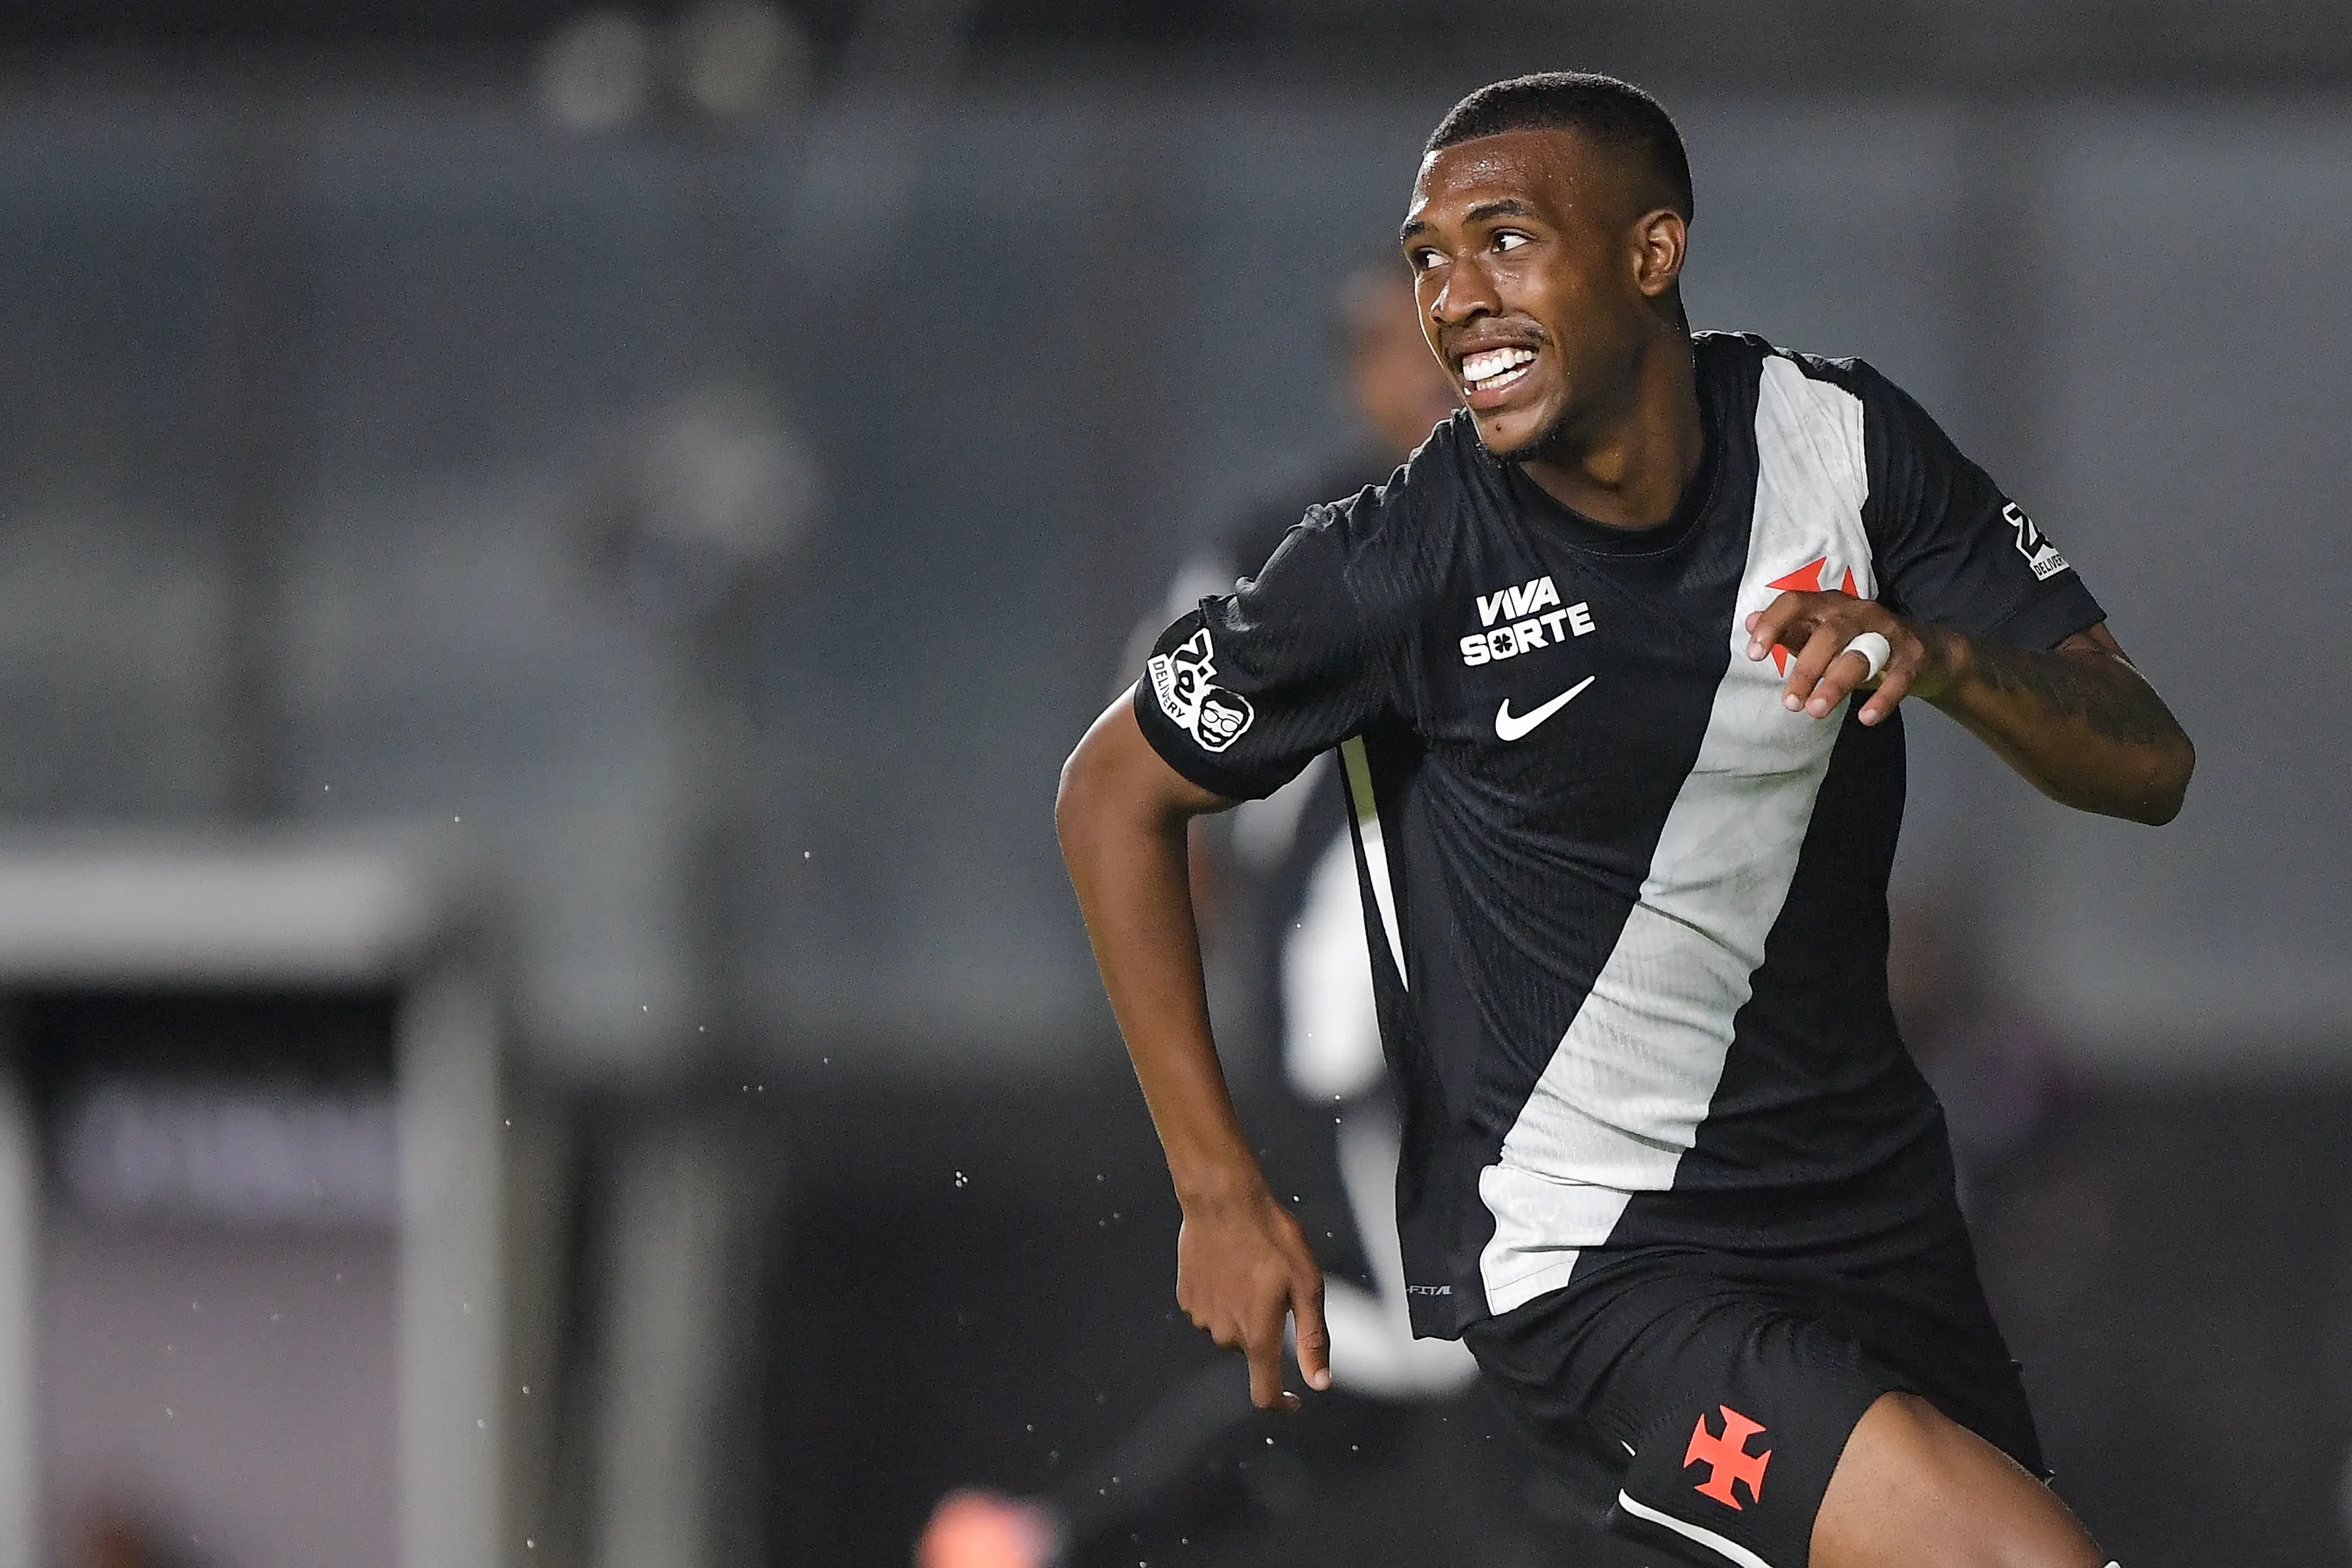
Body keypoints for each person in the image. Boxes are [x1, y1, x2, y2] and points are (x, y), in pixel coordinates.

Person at [1055, 71, 2193, 1568]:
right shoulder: (1396, 556)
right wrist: (1217, 1187)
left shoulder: (1844, 446)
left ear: (1653, 253)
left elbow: (2147, 762)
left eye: (1504, 241)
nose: (1455, 299)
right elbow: (1114, 790)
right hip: (1600, 1265)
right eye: (1427, 258)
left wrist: (1949, 664)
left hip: (1874, 1225)